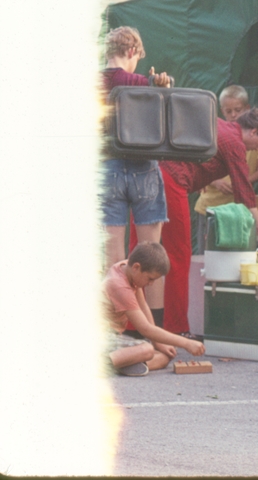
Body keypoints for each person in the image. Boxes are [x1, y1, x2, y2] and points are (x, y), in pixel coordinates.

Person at [130, 108, 258, 335]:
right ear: (254, 131)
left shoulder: (216, 123)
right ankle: (175, 327)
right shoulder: (235, 142)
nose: (257, 148)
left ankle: (130, 324)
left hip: (145, 173)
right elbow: (244, 195)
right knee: (178, 256)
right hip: (171, 182)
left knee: (137, 253)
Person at [100, 26, 172, 325]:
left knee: (113, 258)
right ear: (132, 52)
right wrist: (162, 86)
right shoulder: (141, 82)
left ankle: (114, 329)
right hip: (143, 168)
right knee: (152, 253)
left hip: (107, 169)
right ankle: (153, 328)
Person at [104, 242, 205, 376]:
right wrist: (187, 343)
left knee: (164, 356)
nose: (151, 284)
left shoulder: (128, 269)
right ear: (136, 267)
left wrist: (158, 342)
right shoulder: (120, 287)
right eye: (150, 279)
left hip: (112, 339)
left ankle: (120, 365)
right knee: (147, 349)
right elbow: (145, 329)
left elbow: (143, 306)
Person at [193, 85, 258, 252]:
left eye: (237, 110)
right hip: (209, 206)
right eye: (229, 111)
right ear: (221, 111)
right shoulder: (215, 135)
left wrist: (240, 182)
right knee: (206, 251)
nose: (233, 115)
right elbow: (199, 166)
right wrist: (215, 181)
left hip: (235, 208)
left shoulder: (254, 143)